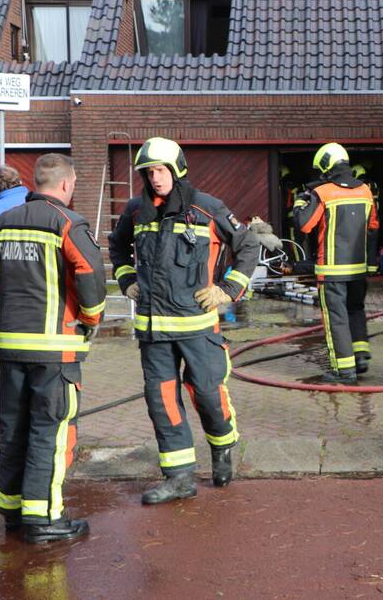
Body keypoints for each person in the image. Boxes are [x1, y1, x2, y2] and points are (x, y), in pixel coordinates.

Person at [0, 153, 105, 544]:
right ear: (67, 184)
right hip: (55, 351)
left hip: (12, 349)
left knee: (14, 430)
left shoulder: (2, 223)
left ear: (35, 183)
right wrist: (90, 320)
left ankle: (12, 510)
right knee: (50, 433)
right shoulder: (68, 223)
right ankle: (44, 518)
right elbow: (90, 274)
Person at [108, 137, 259, 504]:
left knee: (206, 393)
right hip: (153, 331)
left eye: (161, 170)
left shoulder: (207, 208)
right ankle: (178, 477)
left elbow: (248, 245)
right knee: (162, 402)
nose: (155, 178)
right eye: (149, 172)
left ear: (177, 171)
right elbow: (117, 246)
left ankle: (222, 446)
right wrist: (126, 279)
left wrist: (228, 290)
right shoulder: (136, 211)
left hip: (198, 329)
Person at [294, 142, 379, 383]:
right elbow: (373, 227)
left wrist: (301, 202)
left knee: (336, 319)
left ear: (326, 167)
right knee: (356, 310)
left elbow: (304, 225)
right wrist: (371, 263)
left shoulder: (323, 193)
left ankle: (344, 371)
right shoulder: (365, 191)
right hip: (358, 269)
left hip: (332, 270)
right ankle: (360, 357)